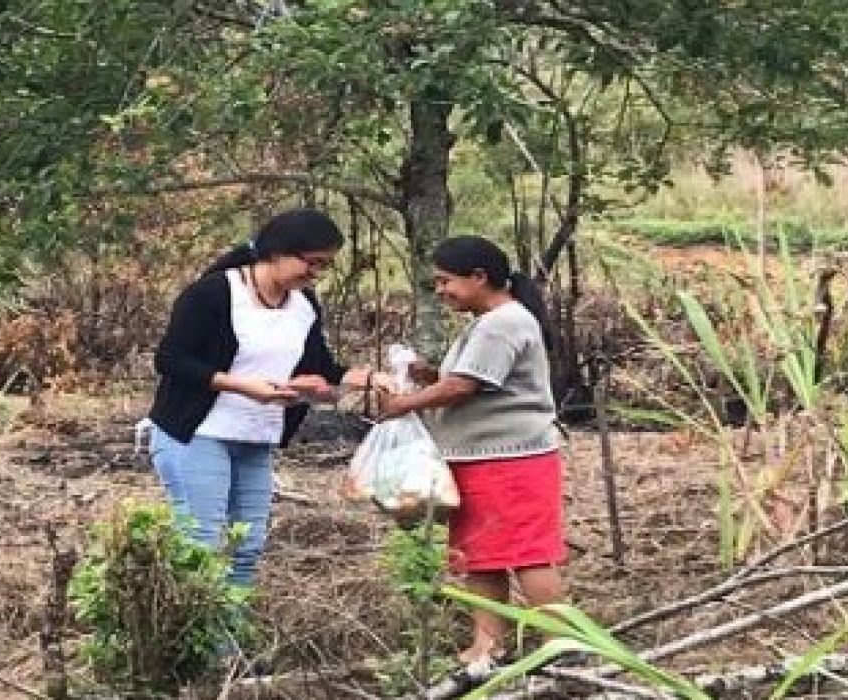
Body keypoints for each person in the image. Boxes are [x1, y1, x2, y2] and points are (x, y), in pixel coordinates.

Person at [147, 208, 390, 596]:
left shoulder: (303, 305)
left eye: (323, 266)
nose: (315, 274)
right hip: (198, 432)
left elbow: (320, 366)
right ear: (277, 252)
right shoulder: (214, 293)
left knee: (247, 548)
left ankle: (229, 647)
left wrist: (369, 380)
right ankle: (193, 648)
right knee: (202, 545)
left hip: (256, 436)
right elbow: (171, 360)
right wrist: (243, 387)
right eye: (311, 263)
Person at [372, 235, 566, 686]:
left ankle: (565, 644)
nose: (439, 290)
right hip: (483, 458)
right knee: (481, 556)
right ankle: (488, 646)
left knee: (528, 554)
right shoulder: (487, 322)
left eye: (446, 281)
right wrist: (429, 376)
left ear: (480, 277)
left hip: (511, 460)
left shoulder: (502, 323)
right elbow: (468, 378)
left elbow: (464, 387)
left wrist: (405, 403)